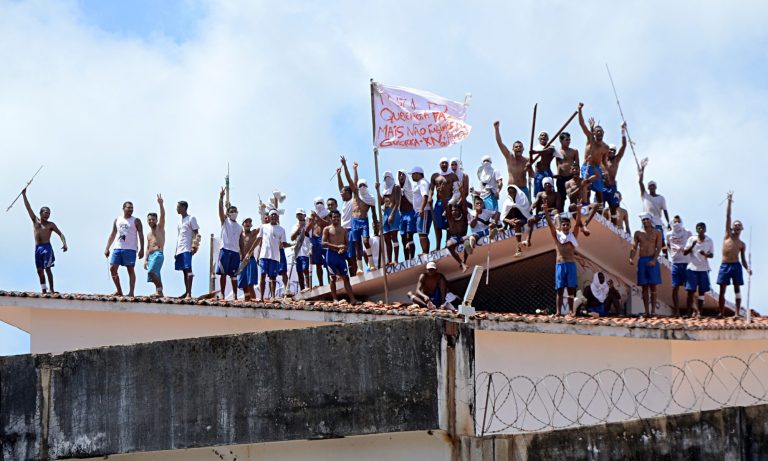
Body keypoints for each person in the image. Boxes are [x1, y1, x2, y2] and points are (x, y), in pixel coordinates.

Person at [21, 188, 67, 294]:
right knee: (39, 270)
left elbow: (61, 234)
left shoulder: (51, 224)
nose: (48, 215)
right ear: (41, 213)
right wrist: (24, 195)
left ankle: (51, 289)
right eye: (46, 213)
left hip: (47, 248)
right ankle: (44, 290)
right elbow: (28, 208)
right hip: (38, 249)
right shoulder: (35, 221)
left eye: (49, 213)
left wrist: (64, 244)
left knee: (48, 268)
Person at [542, 200, 583, 315]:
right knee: (560, 290)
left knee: (571, 290)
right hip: (560, 265)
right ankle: (558, 312)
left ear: (570, 226)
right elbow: (551, 225)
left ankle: (571, 311)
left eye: (567, 225)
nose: (565, 226)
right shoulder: (557, 236)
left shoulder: (573, 236)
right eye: (563, 224)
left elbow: (578, 223)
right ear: (561, 226)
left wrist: (579, 211)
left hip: (570, 265)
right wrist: (546, 212)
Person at [340, 156, 379, 273]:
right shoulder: (356, 194)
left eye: (363, 185)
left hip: (364, 221)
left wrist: (376, 227)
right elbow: (350, 180)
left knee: (366, 242)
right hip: (354, 222)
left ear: (367, 186)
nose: (361, 187)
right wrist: (348, 166)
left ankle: (371, 264)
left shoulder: (370, 199)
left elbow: (374, 214)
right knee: (357, 245)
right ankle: (360, 268)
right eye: (360, 185)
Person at [717, 192, 752, 317]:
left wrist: (747, 268)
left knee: (737, 289)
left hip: (736, 266)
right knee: (722, 289)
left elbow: (743, 259)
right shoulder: (727, 236)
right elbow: (728, 216)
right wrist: (729, 201)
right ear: (732, 228)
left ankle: (737, 313)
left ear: (741, 228)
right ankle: (721, 313)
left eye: (739, 226)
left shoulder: (742, 244)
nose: (737, 227)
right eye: (735, 225)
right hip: (725, 265)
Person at [105, 201, 145, 297]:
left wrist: (142, 249)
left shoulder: (136, 220)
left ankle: (131, 292)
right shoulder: (117, 220)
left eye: (132, 208)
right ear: (123, 208)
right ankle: (119, 290)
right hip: (118, 248)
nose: (131, 209)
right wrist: (107, 248)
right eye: (129, 207)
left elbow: (141, 235)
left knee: (130, 269)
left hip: (130, 249)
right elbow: (113, 234)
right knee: (112, 268)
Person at [630, 213, 662, 316]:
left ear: (650, 220)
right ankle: (646, 311)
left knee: (653, 286)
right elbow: (634, 246)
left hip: (652, 259)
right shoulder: (638, 233)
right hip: (642, 260)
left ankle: (653, 311)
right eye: (643, 220)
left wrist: (654, 259)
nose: (645, 221)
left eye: (647, 219)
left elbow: (659, 247)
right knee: (644, 286)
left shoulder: (657, 232)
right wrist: (631, 257)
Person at [577, 102, 610, 204]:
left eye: (601, 132)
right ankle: (585, 205)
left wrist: (606, 171)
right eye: (597, 132)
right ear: (594, 134)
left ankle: (600, 208)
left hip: (596, 168)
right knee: (586, 186)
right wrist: (580, 110)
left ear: (603, 134)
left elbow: (604, 161)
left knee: (600, 191)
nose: (599, 134)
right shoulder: (590, 139)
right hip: (587, 166)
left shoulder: (605, 147)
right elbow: (582, 124)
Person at [322, 210, 357, 303]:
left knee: (346, 277)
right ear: (331, 218)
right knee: (332, 278)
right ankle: (335, 299)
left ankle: (352, 299)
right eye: (334, 217)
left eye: (338, 217)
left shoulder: (344, 230)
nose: (336, 219)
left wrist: (343, 249)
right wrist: (337, 247)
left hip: (340, 256)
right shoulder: (327, 229)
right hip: (331, 256)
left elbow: (347, 244)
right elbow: (323, 243)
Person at [216, 188, 243, 300]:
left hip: (235, 252)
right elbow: (220, 210)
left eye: (235, 211)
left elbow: (241, 241)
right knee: (223, 273)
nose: (233, 213)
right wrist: (221, 198)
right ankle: (222, 294)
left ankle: (235, 295)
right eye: (231, 211)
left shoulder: (239, 227)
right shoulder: (225, 222)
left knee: (234, 275)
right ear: (228, 214)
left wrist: (243, 252)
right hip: (225, 250)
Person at [638, 163, 671, 257]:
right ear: (648, 188)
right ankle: (645, 255)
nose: (652, 187)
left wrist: (668, 223)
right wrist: (642, 170)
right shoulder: (645, 196)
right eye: (650, 186)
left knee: (661, 241)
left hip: (657, 222)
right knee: (644, 239)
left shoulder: (661, 198)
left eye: (653, 186)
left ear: (655, 187)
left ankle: (665, 258)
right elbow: (640, 182)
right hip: (646, 222)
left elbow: (665, 211)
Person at [429, 158, 461, 249]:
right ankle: (438, 246)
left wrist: (452, 202)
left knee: (449, 224)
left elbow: (457, 191)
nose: (444, 164)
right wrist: (430, 197)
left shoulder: (453, 176)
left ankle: (447, 244)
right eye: (442, 163)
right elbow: (431, 189)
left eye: (446, 163)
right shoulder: (435, 176)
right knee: (437, 224)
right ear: (440, 164)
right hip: (438, 202)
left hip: (449, 202)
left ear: (448, 164)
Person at [494, 121, 532, 199]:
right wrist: (496, 129)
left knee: (526, 210)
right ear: (513, 149)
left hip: (523, 188)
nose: (518, 148)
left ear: (523, 149)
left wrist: (530, 167)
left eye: (520, 147)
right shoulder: (509, 156)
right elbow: (499, 143)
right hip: (512, 189)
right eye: (516, 147)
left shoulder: (527, 160)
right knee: (512, 209)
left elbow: (532, 175)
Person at [256, 209, 288, 301]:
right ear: (269, 217)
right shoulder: (263, 226)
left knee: (272, 277)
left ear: (277, 217)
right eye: (272, 215)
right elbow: (259, 240)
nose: (273, 216)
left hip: (275, 257)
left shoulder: (281, 229)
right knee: (262, 275)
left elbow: (284, 244)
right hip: (264, 255)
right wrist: (251, 250)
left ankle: (273, 296)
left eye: (275, 215)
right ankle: (261, 297)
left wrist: (294, 244)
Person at [684, 222, 713, 318]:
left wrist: (705, 254)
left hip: (703, 268)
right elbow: (685, 252)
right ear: (696, 230)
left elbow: (712, 255)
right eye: (698, 228)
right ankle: (689, 312)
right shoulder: (691, 239)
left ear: (705, 230)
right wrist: (692, 246)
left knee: (702, 291)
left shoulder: (709, 240)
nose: (700, 229)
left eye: (702, 228)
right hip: (692, 268)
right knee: (690, 291)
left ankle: (699, 312)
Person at [525, 177, 561, 247]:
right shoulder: (540, 194)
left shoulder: (556, 194)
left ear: (552, 185)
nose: (547, 185)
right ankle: (528, 239)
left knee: (556, 211)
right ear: (543, 186)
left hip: (552, 211)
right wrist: (532, 207)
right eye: (545, 184)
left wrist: (547, 209)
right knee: (530, 220)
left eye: (549, 183)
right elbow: (535, 202)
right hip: (542, 213)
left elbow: (558, 207)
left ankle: (559, 229)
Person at [667, 216, 693, 315]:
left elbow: (692, 246)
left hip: (687, 263)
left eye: (678, 221)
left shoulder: (688, 232)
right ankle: (677, 311)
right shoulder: (669, 234)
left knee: (689, 289)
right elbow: (668, 245)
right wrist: (672, 255)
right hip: (675, 263)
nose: (676, 223)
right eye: (674, 221)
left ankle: (689, 311)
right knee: (675, 287)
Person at [174, 200, 199, 299]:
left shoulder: (191, 218)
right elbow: (179, 236)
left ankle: (189, 293)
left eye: (178, 207)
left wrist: (195, 246)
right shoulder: (179, 221)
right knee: (184, 271)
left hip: (187, 248)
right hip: (180, 248)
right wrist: (175, 251)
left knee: (188, 269)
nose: (177, 209)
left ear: (184, 207)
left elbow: (196, 233)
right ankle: (186, 291)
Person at [336, 163, 358, 275]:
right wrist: (338, 175)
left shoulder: (353, 200)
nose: (341, 194)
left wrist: (346, 166)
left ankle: (355, 273)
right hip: (342, 232)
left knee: (352, 255)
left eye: (343, 193)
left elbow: (352, 182)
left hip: (350, 230)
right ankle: (349, 274)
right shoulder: (344, 203)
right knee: (344, 256)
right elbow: (341, 187)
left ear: (349, 193)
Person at [603, 123, 628, 216]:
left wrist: (623, 131)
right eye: (610, 150)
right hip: (602, 186)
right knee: (600, 206)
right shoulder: (602, 160)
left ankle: (614, 225)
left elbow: (624, 145)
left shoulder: (616, 160)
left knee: (613, 208)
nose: (611, 152)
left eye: (613, 150)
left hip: (612, 187)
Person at [500, 185, 531, 256]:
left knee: (517, 223)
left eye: (513, 192)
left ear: (516, 192)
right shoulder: (507, 202)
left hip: (523, 219)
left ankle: (519, 247)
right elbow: (503, 217)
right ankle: (504, 227)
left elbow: (525, 211)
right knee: (510, 213)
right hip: (511, 221)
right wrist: (509, 221)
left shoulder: (522, 199)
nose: (512, 194)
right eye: (510, 193)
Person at [379, 171, 402, 265]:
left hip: (394, 212)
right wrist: (377, 190)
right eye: (385, 178)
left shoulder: (396, 187)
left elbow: (397, 202)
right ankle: (389, 260)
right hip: (385, 213)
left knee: (394, 236)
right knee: (386, 238)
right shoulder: (384, 189)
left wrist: (392, 215)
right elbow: (381, 203)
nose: (387, 179)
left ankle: (395, 259)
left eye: (388, 177)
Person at [144, 194, 165, 297]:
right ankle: (158, 291)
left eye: (153, 219)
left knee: (151, 272)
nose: (151, 221)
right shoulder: (148, 234)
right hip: (151, 256)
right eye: (149, 219)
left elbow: (163, 216)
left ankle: (160, 291)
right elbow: (148, 248)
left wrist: (161, 204)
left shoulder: (159, 228)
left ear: (156, 220)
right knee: (155, 275)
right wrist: (145, 260)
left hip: (158, 254)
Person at [308, 197, 331, 288]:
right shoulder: (311, 216)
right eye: (317, 203)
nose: (319, 205)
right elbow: (307, 229)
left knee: (328, 262)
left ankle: (331, 282)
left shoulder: (327, 213)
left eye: (321, 203)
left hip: (325, 239)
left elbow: (328, 224)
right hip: (315, 239)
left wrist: (317, 217)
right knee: (318, 264)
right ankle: (321, 284)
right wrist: (313, 219)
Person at [530, 131, 560, 196]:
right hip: (538, 173)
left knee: (550, 192)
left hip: (547, 172)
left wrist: (536, 152)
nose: (543, 136)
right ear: (539, 138)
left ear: (547, 139)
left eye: (545, 135)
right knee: (538, 193)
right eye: (541, 135)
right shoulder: (535, 148)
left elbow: (549, 151)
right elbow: (532, 163)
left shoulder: (551, 146)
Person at [555, 132, 580, 210]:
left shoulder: (574, 151)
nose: (568, 141)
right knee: (561, 198)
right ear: (561, 141)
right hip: (561, 178)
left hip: (571, 177)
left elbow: (577, 164)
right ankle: (561, 215)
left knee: (573, 196)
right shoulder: (556, 151)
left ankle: (574, 213)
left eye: (569, 140)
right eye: (566, 140)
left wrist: (577, 176)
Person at [397, 169, 417, 260]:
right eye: (399, 175)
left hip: (410, 213)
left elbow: (415, 199)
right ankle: (406, 259)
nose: (401, 176)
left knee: (410, 236)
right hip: (402, 215)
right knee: (403, 237)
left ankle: (411, 257)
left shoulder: (410, 187)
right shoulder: (396, 189)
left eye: (403, 175)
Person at [237, 218, 259, 300]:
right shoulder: (239, 234)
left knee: (250, 285)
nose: (248, 223)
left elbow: (262, 226)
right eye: (246, 222)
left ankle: (253, 302)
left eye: (250, 222)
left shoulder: (253, 233)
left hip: (250, 260)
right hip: (241, 261)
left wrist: (263, 212)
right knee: (243, 284)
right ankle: (247, 301)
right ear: (243, 224)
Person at [412, 166, 433, 254]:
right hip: (419, 211)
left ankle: (425, 252)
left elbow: (425, 196)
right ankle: (425, 251)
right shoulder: (419, 183)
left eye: (413, 174)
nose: (412, 176)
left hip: (424, 210)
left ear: (418, 174)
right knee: (421, 233)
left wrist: (421, 208)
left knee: (423, 233)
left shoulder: (423, 182)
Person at [291, 208, 312, 292]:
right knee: (299, 271)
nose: (300, 216)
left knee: (305, 269)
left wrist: (305, 227)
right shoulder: (294, 226)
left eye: (301, 214)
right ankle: (302, 289)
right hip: (297, 252)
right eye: (298, 214)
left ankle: (308, 287)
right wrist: (299, 228)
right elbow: (292, 238)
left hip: (306, 250)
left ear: (304, 215)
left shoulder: (308, 224)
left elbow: (309, 235)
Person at [445, 204, 469, 272]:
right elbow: (445, 204)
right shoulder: (450, 218)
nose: (453, 212)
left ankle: (464, 262)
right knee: (448, 245)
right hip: (454, 238)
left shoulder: (464, 217)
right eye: (452, 210)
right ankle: (462, 263)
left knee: (468, 240)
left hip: (462, 237)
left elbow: (464, 202)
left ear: (459, 211)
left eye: (455, 210)